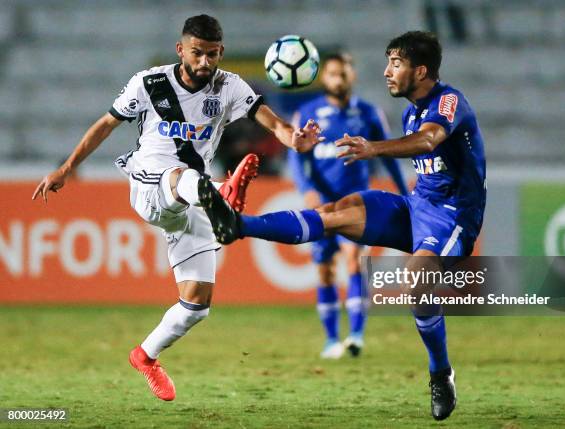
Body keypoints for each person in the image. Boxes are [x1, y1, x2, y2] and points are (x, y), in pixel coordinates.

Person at [32, 14, 321, 402]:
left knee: (196, 304)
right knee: (185, 177)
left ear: (221, 53)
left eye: (213, 55)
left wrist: (295, 139)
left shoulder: (230, 87)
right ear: (180, 49)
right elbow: (106, 123)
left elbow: (274, 124)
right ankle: (223, 192)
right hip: (151, 185)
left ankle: (145, 356)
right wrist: (68, 169)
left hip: (191, 196)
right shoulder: (148, 83)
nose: (205, 62)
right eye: (198, 53)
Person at [199, 31, 486, 421]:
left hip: (454, 214)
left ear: (421, 70)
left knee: (417, 277)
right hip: (418, 206)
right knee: (338, 212)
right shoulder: (409, 110)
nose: (386, 72)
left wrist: (373, 147)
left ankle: (440, 372)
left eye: (396, 64)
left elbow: (428, 141)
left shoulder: (449, 101)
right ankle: (237, 224)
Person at [287, 53, 409, 359]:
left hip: (356, 200)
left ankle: (355, 335)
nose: (338, 79)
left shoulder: (369, 113)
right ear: (323, 78)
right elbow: (296, 157)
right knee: (325, 271)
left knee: (354, 261)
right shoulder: (308, 112)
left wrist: (405, 192)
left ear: (352, 76)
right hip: (324, 205)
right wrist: (307, 190)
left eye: (343, 74)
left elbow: (389, 154)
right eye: (332, 74)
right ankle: (331, 340)